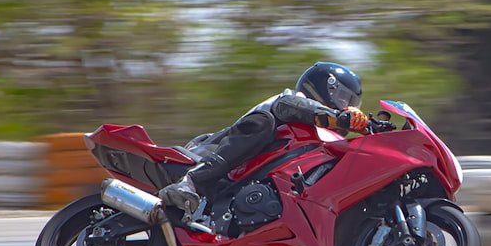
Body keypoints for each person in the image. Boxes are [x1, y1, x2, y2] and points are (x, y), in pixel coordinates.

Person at [158, 62, 371, 213]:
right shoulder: (290, 100)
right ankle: (189, 181)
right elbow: (294, 108)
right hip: (205, 153)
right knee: (262, 124)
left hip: (237, 183)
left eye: (351, 103)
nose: (346, 107)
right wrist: (338, 117)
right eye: (343, 99)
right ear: (326, 87)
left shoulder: (312, 137)